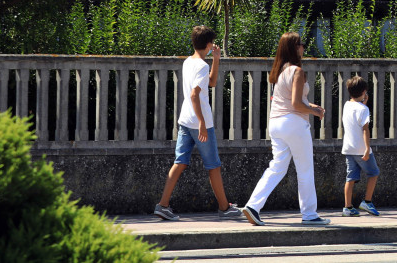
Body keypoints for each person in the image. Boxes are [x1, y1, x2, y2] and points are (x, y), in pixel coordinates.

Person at [153, 25, 243, 221]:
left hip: (185, 120)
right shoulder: (201, 66)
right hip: (199, 122)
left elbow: (210, 83)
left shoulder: (189, 62)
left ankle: (163, 205)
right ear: (209, 44)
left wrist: (216, 60)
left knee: (179, 162)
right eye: (212, 45)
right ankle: (224, 207)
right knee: (213, 165)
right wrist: (202, 122)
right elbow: (195, 94)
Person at [241, 32, 330, 226]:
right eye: (301, 44)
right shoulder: (297, 71)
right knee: (305, 169)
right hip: (294, 124)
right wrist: (314, 112)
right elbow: (297, 104)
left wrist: (312, 107)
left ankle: (253, 205)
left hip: (276, 123)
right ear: (294, 48)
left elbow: (292, 101)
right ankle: (309, 214)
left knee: (277, 167)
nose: (303, 47)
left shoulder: (281, 71)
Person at [340, 75, 380, 217]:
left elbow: (355, 117)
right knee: (374, 173)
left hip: (348, 148)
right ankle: (367, 201)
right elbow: (365, 129)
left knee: (350, 177)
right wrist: (367, 149)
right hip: (360, 148)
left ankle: (347, 207)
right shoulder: (363, 110)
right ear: (364, 91)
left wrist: (363, 104)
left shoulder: (346, 105)